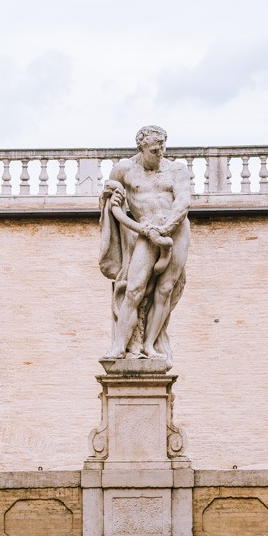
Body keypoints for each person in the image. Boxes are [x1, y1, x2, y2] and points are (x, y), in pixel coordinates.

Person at [99, 125, 191, 364]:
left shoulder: (177, 170)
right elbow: (110, 198)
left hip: (177, 231)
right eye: (154, 150)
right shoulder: (124, 170)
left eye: (162, 148)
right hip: (146, 233)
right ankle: (119, 346)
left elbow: (183, 201)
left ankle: (149, 344)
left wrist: (166, 228)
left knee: (165, 289)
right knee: (134, 289)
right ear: (141, 147)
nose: (159, 154)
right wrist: (113, 198)